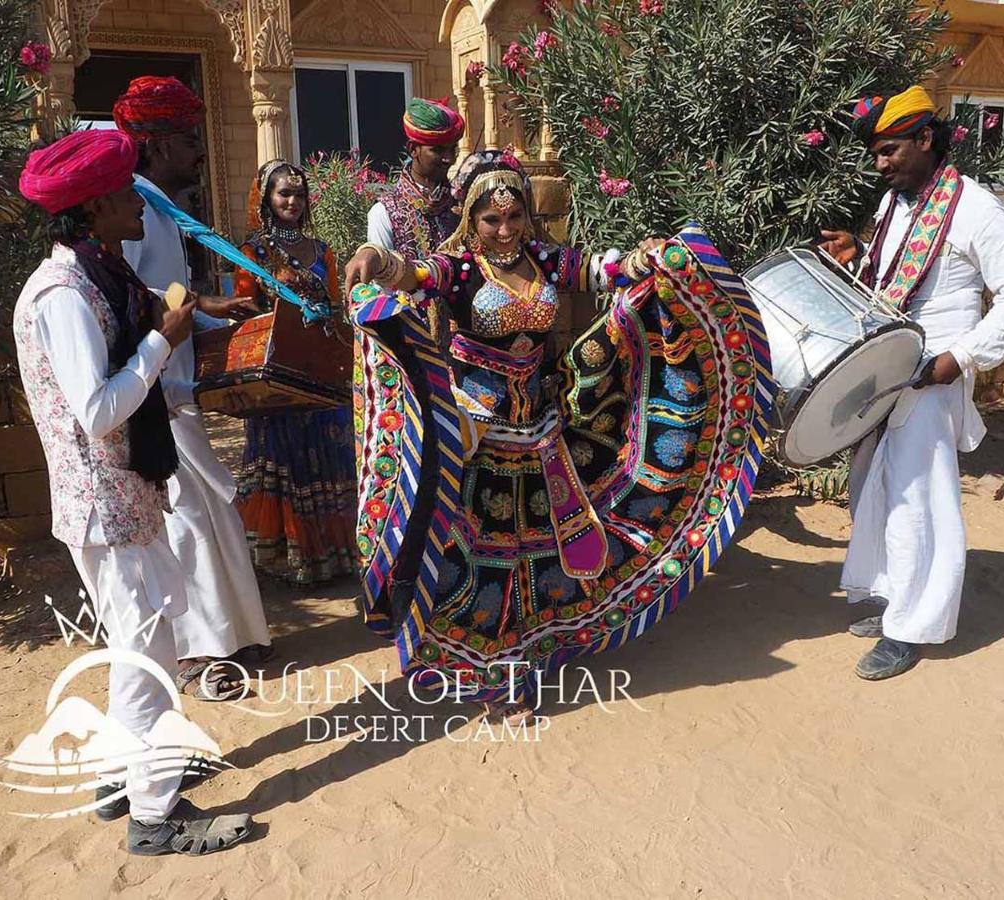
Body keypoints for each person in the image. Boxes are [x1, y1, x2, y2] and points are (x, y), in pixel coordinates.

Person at [344, 151, 773, 724]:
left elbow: (604, 269)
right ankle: (486, 667)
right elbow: (412, 274)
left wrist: (647, 258)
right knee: (479, 551)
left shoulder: (545, 260)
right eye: (492, 220)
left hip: (542, 429)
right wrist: (376, 255)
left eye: (514, 216)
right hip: (479, 435)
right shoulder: (462, 269)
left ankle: (528, 651)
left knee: (538, 549)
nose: (504, 229)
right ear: (472, 219)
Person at [14, 128, 252, 854]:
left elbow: (162, 306)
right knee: (148, 652)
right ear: (90, 210)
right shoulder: (63, 295)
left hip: (126, 496)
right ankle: (155, 815)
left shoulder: (102, 276)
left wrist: (215, 316)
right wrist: (162, 345)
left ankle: (125, 778)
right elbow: (97, 410)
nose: (138, 205)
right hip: (105, 503)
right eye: (123, 194)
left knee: (140, 642)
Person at [819, 86, 1004, 680]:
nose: (881, 163)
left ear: (925, 139)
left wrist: (958, 359)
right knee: (876, 484)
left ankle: (912, 629)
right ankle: (894, 594)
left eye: (891, 150)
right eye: (877, 153)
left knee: (920, 499)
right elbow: (896, 274)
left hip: (932, 378)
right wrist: (858, 251)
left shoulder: (977, 209)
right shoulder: (899, 205)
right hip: (888, 371)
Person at [113, 75, 272, 699]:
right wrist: (194, 306)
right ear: (152, 145)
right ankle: (199, 654)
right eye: (185, 138)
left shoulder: (158, 208)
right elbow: (132, 296)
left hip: (178, 393)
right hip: (153, 395)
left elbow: (169, 298)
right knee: (186, 521)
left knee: (212, 512)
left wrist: (211, 313)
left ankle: (237, 636)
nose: (198, 150)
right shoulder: (135, 210)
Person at [234, 160, 359, 584]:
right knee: (284, 454)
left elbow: (337, 304)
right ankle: (289, 559)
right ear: (267, 198)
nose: (292, 201)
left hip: (320, 365)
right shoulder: (255, 253)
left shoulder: (322, 250)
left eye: (299, 194)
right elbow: (246, 308)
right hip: (280, 368)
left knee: (330, 453)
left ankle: (334, 555)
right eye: (283, 193)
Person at [366, 97, 463, 260]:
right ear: (413, 149)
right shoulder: (385, 211)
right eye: (438, 150)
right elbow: (383, 280)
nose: (449, 159)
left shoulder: (461, 203)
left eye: (452, 150)